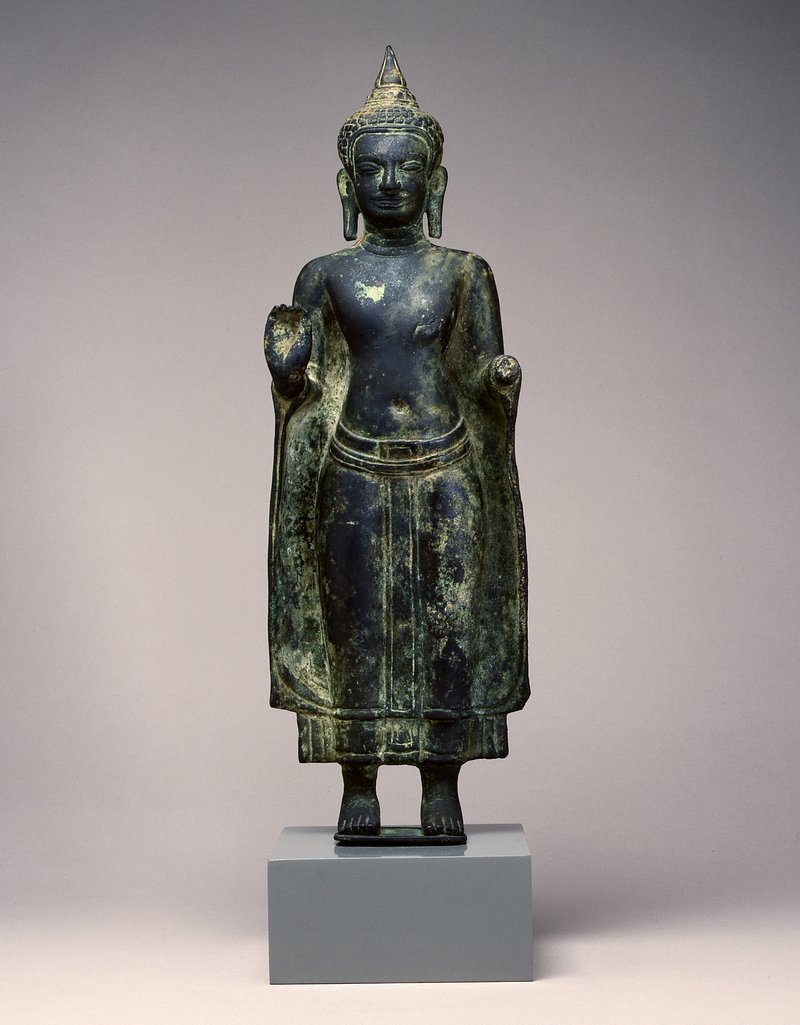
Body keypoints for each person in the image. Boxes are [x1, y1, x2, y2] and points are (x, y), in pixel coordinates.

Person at [265, 47, 528, 840]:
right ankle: (359, 780)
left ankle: (441, 782)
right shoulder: (325, 275)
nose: (389, 182)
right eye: (372, 168)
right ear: (347, 185)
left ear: (435, 182)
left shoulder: (464, 273)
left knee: (450, 629)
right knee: (355, 627)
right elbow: (310, 384)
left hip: (447, 464)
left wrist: (498, 381)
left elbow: (479, 368)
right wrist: (288, 372)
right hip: (352, 465)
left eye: (406, 167)